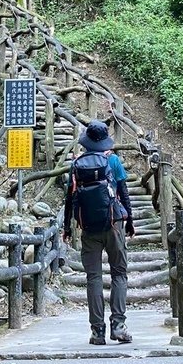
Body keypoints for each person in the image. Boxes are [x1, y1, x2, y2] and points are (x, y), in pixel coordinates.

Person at [63, 119, 135, 345]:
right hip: (113, 224)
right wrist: (129, 220)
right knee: (119, 273)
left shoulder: (76, 164)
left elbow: (69, 199)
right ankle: (119, 325)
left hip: (89, 228)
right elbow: (123, 193)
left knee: (93, 277)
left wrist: (67, 227)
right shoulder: (112, 160)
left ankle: (97, 331)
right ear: (104, 140)